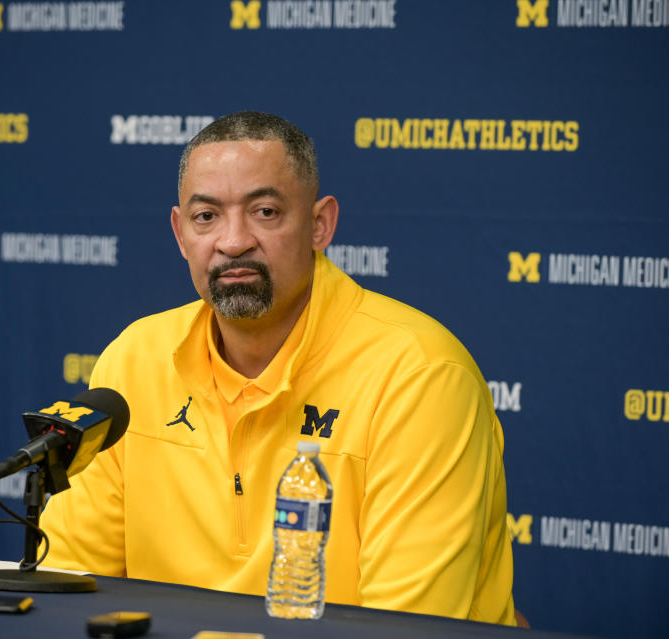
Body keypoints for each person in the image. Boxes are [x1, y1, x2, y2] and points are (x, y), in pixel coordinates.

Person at [39, 111, 516, 625]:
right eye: (207, 217)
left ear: (319, 224)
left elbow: (404, 628)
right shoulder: (133, 359)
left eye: (264, 211)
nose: (233, 240)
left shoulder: (419, 375)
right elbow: (71, 586)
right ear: (180, 235)